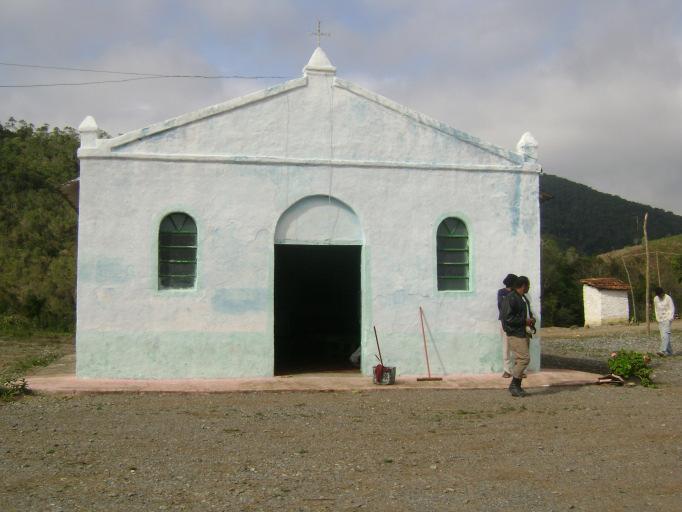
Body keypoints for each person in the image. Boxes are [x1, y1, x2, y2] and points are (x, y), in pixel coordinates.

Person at [501, 276, 535, 397]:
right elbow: (508, 318)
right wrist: (524, 321)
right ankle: (514, 385)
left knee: (520, 360)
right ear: (523, 285)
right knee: (524, 359)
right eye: (528, 286)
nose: (529, 288)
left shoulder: (522, 298)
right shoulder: (511, 298)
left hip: (523, 332)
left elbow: (525, 313)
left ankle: (517, 387)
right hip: (515, 333)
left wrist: (531, 320)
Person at [497, 274, 517, 378]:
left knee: (517, 347)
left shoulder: (516, 293)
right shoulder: (502, 292)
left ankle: (518, 370)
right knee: (506, 347)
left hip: (516, 322)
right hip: (505, 322)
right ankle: (507, 370)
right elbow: (500, 305)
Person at [653, 287, 675, 356]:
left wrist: (670, 318)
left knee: (666, 335)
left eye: (661, 294)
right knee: (663, 336)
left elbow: (672, 308)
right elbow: (656, 309)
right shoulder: (656, 299)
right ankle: (670, 352)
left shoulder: (668, 298)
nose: (660, 296)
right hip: (660, 319)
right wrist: (657, 318)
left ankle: (662, 350)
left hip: (667, 318)